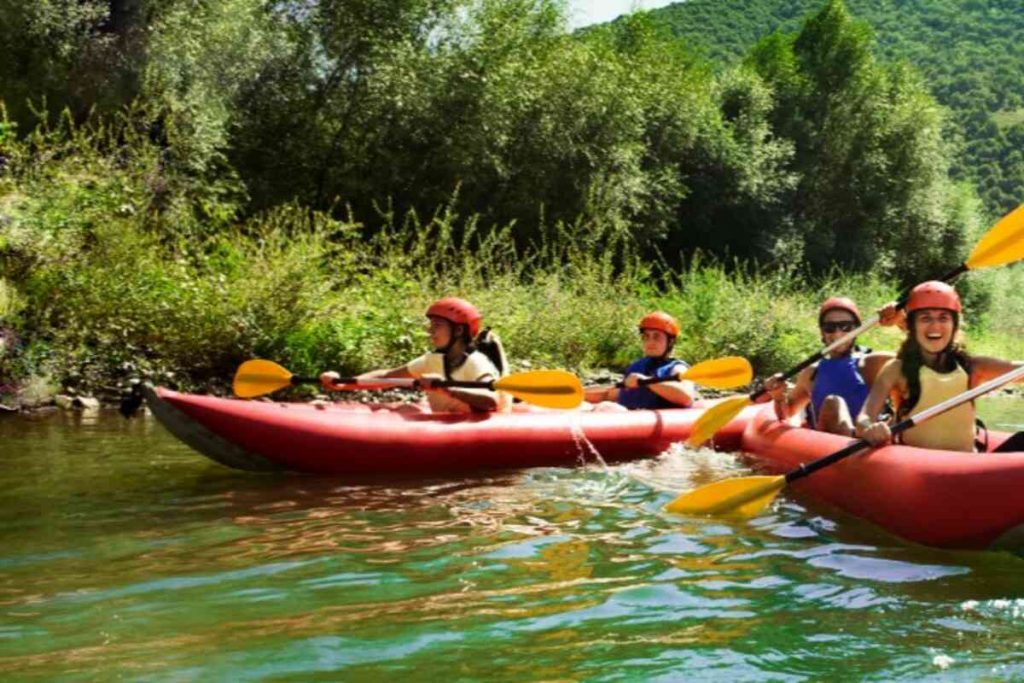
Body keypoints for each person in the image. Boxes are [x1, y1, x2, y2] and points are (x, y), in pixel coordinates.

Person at [857, 281, 1024, 452]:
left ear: (954, 326)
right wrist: (869, 428)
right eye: (925, 318)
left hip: (968, 465)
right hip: (915, 467)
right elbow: (864, 417)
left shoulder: (973, 366)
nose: (935, 326)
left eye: (943, 318)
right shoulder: (896, 369)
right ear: (912, 326)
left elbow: (1019, 370)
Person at [320, 297, 508, 413]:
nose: (430, 331)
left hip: (477, 424)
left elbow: (490, 401)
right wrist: (344, 383)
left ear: (458, 331)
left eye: (438, 326)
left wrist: (445, 389)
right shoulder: (431, 360)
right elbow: (386, 376)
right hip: (445, 423)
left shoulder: (477, 362)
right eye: (430, 326)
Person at [764, 297, 895, 435]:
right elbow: (787, 413)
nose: (838, 334)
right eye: (830, 328)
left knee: (834, 403)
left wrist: (901, 322)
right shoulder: (811, 373)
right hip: (829, 444)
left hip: (870, 439)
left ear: (857, 330)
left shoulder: (873, 362)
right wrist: (778, 396)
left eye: (846, 327)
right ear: (822, 332)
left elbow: (917, 360)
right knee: (833, 404)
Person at [584, 311, 697, 410]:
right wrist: (578, 394)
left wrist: (645, 381)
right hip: (630, 423)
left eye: (656, 336)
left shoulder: (677, 368)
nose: (650, 342)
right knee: (605, 407)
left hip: (665, 427)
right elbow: (610, 394)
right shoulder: (638, 366)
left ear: (670, 342)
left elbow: (686, 397)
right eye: (646, 336)